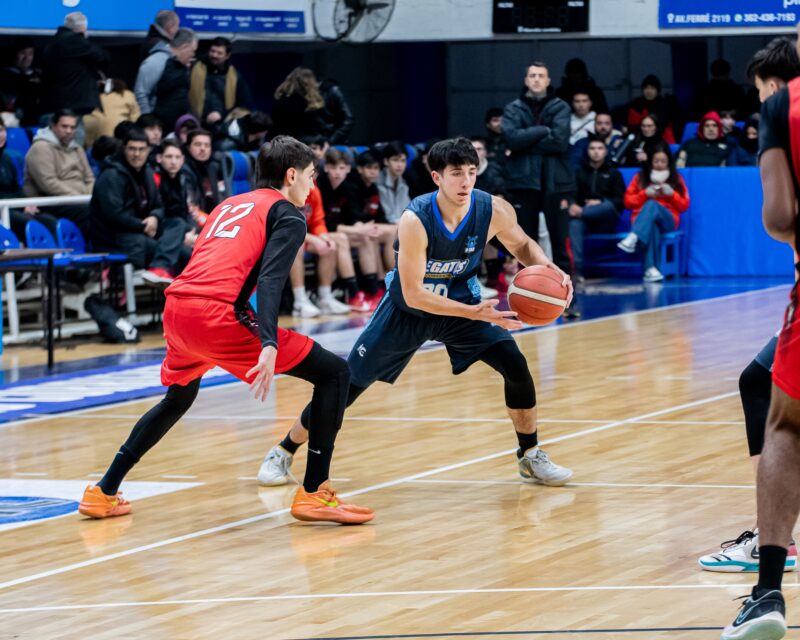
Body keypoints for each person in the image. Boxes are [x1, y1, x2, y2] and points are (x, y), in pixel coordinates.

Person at [78, 135, 374, 525]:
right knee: (334, 373)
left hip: (178, 308)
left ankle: (103, 491)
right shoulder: (288, 215)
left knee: (177, 399)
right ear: (291, 175)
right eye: (310, 175)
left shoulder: (229, 204)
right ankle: (315, 491)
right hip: (218, 315)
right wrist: (269, 341)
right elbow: (270, 280)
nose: (312, 184)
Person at [256, 137, 574, 492]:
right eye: (457, 173)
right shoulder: (415, 219)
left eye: (472, 172)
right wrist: (475, 312)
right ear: (437, 177)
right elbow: (414, 294)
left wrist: (550, 271)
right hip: (406, 312)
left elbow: (523, 244)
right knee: (346, 386)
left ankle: (530, 455)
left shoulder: (493, 209)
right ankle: (283, 450)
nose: (466, 181)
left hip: (461, 305)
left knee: (515, 364)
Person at [698, 35, 800, 580]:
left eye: (762, 91)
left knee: (770, 399)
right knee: (756, 380)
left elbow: (779, 219)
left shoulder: (784, 110)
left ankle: (775, 540)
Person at [502, 61, 575, 278]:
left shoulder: (561, 107)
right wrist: (543, 130)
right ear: (526, 80)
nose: (536, 79)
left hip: (556, 183)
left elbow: (559, 142)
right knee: (525, 244)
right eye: (532, 75)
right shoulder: (512, 108)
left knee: (560, 244)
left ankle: (568, 292)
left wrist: (525, 142)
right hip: (523, 182)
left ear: (548, 80)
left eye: (541, 76)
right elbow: (512, 140)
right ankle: (529, 291)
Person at [90, 128, 188, 287]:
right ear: (124, 149)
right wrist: (143, 225)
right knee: (180, 252)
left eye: (141, 149)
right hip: (117, 238)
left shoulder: (147, 172)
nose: (137, 154)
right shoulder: (112, 175)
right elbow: (113, 215)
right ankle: (160, 268)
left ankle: (160, 269)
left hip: (141, 231)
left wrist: (154, 217)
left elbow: (159, 205)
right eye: (132, 149)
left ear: (148, 150)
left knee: (178, 224)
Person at [617, 143, 689, 283]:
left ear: (669, 161)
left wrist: (672, 194)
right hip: (642, 220)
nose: (660, 164)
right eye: (656, 161)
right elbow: (627, 202)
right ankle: (651, 270)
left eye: (663, 161)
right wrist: (645, 194)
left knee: (652, 204)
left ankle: (634, 236)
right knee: (652, 227)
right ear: (650, 161)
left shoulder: (676, 178)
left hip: (668, 220)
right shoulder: (640, 177)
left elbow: (684, 205)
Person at [23, 109, 94, 238]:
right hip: (50, 202)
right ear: (53, 126)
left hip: (79, 200)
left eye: (72, 127)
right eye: (64, 126)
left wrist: (90, 196)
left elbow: (89, 178)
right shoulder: (41, 148)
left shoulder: (77, 148)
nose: (69, 131)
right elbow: (48, 183)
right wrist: (78, 197)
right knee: (90, 212)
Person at [40, 12, 110, 133]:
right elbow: (104, 57)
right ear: (82, 28)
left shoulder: (52, 42)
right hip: (72, 105)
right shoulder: (75, 41)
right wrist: (84, 38)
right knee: (72, 141)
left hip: (54, 104)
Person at [569, 137, 625, 282]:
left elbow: (620, 201)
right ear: (587, 151)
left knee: (607, 206)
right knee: (574, 224)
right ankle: (577, 270)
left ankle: (581, 213)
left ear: (606, 151)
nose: (596, 152)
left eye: (600, 148)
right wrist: (573, 204)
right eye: (592, 148)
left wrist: (599, 202)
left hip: (607, 219)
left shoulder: (614, 173)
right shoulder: (579, 172)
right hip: (586, 220)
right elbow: (572, 195)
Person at [0, 120, 57, 240]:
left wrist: (27, 203)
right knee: (30, 224)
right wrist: (20, 207)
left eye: (1, 130)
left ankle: (56, 252)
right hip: (4, 210)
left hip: (12, 207)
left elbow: (16, 189)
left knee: (49, 221)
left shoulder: (6, 158)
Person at [134, 28, 198, 132]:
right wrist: (148, 123)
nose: (193, 55)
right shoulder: (156, 61)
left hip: (178, 128)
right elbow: (141, 93)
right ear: (184, 47)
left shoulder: (182, 65)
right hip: (158, 127)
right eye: (193, 51)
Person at [188, 37, 252, 129]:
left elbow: (244, 105)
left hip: (224, 126)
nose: (214, 55)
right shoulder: (194, 69)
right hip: (196, 124)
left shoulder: (235, 76)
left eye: (219, 53)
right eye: (212, 51)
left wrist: (222, 114)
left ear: (227, 56)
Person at [83, 79, 141, 148]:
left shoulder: (87, 96)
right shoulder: (128, 95)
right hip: (118, 143)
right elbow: (136, 121)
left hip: (90, 145)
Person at [625, 75, 680, 145]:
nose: (649, 91)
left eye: (652, 88)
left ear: (658, 90)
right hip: (639, 137)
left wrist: (630, 129)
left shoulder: (664, 105)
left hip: (660, 140)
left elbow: (658, 126)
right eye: (646, 88)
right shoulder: (637, 103)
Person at [0, 36, 42, 127]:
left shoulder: (38, 74)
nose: (27, 58)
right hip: (12, 119)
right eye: (23, 53)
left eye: (30, 54)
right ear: (15, 54)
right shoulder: (5, 75)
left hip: (34, 121)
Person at [377, 141, 411, 224]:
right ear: (386, 161)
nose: (400, 165)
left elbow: (408, 212)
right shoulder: (378, 182)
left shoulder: (403, 183)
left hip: (399, 225)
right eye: (395, 160)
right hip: (384, 226)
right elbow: (389, 217)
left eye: (403, 161)